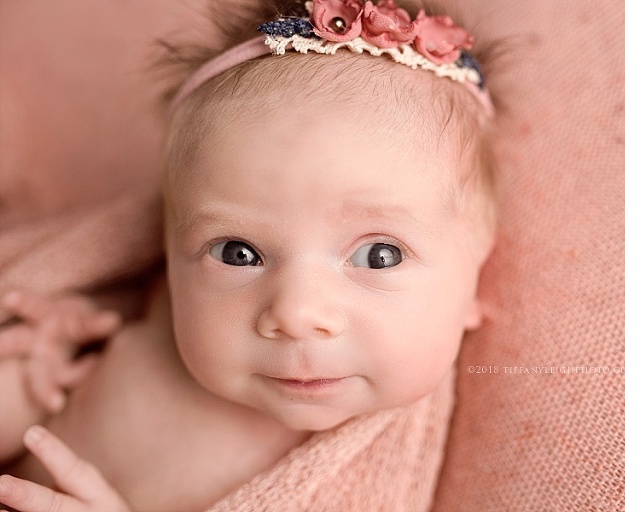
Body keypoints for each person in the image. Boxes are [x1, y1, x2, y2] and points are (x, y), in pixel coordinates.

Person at [0, 0, 499, 509]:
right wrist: (41, 367)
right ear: (169, 252)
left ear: (473, 278)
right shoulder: (152, 320)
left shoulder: (373, 479)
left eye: (379, 256)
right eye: (239, 254)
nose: (297, 314)